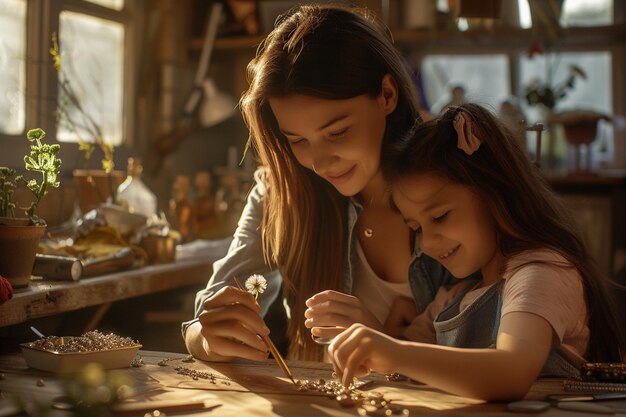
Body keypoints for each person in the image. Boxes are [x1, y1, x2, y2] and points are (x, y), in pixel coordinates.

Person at [182, 4, 460, 362]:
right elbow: (202, 317)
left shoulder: (456, 188)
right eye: (297, 140)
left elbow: (504, 348)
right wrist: (206, 337)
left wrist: (387, 346)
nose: (319, 161)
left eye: (338, 132)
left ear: (387, 95)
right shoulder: (280, 192)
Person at [328, 103, 626, 401]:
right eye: (417, 228)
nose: (428, 243)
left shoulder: (541, 272)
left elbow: (511, 372)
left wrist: (392, 352)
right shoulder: (451, 300)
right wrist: (369, 334)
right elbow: (407, 365)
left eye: (440, 216)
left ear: (494, 192)